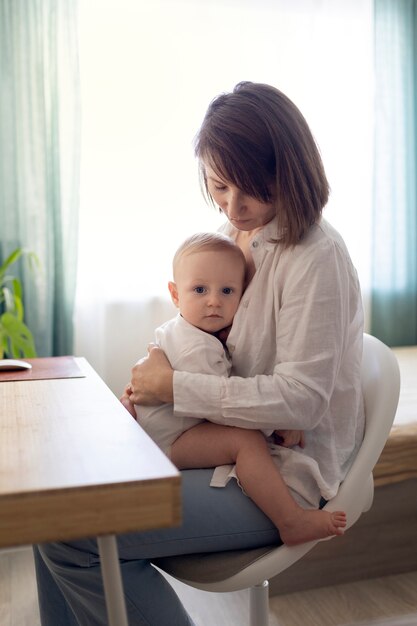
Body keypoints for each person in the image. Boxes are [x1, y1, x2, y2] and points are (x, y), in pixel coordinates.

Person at [33, 81, 364, 626]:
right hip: (226, 446)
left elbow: (302, 401)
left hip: (279, 475)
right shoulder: (234, 232)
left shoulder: (316, 258)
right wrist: (152, 382)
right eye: (219, 186)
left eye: (252, 189)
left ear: (292, 170)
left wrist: (175, 389)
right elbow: (201, 333)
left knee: (74, 530)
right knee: (51, 512)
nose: (233, 207)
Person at [121, 230, 346, 546]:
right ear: (174, 294)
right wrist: (277, 424)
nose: (214, 301)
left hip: (163, 432)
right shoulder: (197, 349)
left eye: (227, 291)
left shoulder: (185, 330)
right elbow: (222, 409)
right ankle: (290, 520)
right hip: (171, 440)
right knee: (246, 442)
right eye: (200, 290)